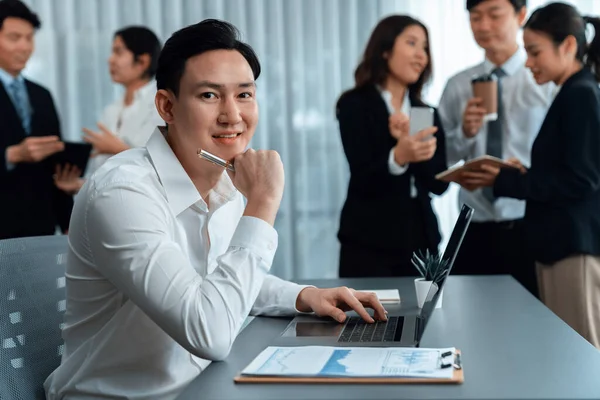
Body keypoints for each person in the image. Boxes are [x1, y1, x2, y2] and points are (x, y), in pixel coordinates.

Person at [44, 19, 387, 400]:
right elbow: (209, 331)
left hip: (207, 387)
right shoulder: (123, 192)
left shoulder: (222, 178)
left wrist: (304, 296)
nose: (232, 115)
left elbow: (216, 279)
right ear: (167, 106)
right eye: (209, 95)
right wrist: (263, 202)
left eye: (244, 95)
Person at [467, 2, 600, 349]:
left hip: (572, 246)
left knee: (580, 352)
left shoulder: (580, 94)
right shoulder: (571, 92)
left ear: (568, 46)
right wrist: (522, 173)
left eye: (535, 52)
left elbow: (581, 180)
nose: (528, 62)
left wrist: (504, 180)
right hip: (559, 245)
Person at [437, 0, 554, 296]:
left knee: (536, 324)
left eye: (494, 15)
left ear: (521, 15)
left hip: (530, 222)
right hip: (473, 227)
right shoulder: (458, 85)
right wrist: (465, 133)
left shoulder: (545, 80)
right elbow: (440, 161)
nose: (484, 25)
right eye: (475, 17)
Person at [336, 15, 448, 278]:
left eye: (425, 48)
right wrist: (398, 156)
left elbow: (439, 184)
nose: (421, 56)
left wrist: (415, 153)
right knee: (364, 319)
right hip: (368, 243)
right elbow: (362, 177)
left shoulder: (424, 111)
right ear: (385, 49)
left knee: (426, 318)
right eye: (412, 43)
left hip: (422, 243)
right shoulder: (355, 104)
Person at [54, 26, 163, 195]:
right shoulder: (111, 110)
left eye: (118, 52)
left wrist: (117, 148)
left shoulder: (161, 105)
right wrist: (79, 184)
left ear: (143, 61)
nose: (110, 60)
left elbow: (164, 167)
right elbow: (106, 173)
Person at [0, 0, 73, 239]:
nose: (24, 47)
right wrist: (10, 155)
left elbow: (54, 165)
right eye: (14, 37)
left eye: (29, 38)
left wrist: (67, 221)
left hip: (39, 226)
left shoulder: (41, 95)